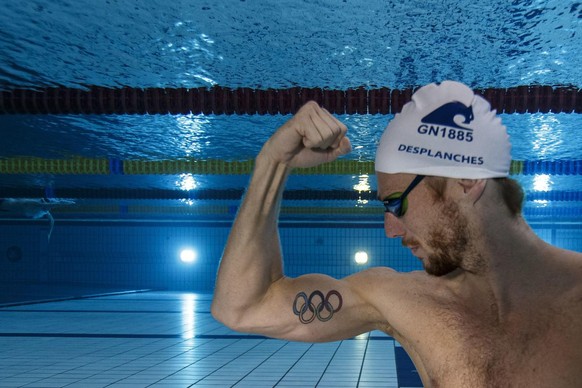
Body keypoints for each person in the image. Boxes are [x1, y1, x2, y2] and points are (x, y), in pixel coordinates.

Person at [211, 81, 582, 387]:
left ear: (467, 180)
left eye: (395, 204)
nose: (390, 229)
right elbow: (242, 307)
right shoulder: (404, 300)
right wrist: (272, 165)